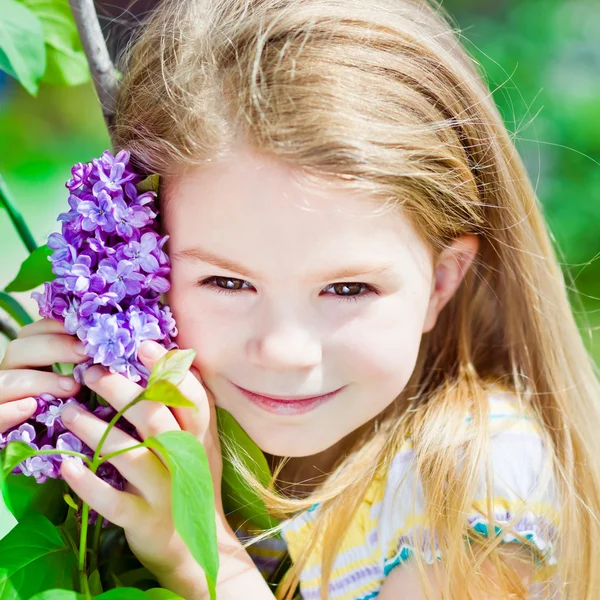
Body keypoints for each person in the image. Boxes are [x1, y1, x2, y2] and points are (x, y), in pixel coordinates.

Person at [1, 0, 599, 598]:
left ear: (441, 282)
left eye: (346, 288)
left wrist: (199, 557)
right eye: (228, 283)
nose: (285, 350)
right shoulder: (179, 447)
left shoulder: (477, 480)